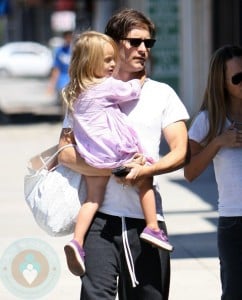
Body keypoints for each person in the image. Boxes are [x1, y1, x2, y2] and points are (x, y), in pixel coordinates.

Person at [58, 8, 189, 300]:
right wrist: (111, 169)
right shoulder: (86, 93)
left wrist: (145, 171)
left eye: (148, 43)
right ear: (114, 43)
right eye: (135, 41)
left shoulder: (162, 93)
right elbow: (65, 152)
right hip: (99, 221)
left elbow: (181, 152)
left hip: (146, 221)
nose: (143, 49)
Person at [184, 45, 242, 300]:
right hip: (234, 219)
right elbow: (189, 172)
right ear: (222, 82)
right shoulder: (208, 121)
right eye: (237, 78)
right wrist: (218, 142)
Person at [47, 30, 73, 105]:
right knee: (63, 103)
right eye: (67, 37)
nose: (68, 40)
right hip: (62, 80)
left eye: (70, 37)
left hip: (73, 80)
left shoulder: (75, 50)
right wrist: (51, 84)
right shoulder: (59, 51)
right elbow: (56, 68)